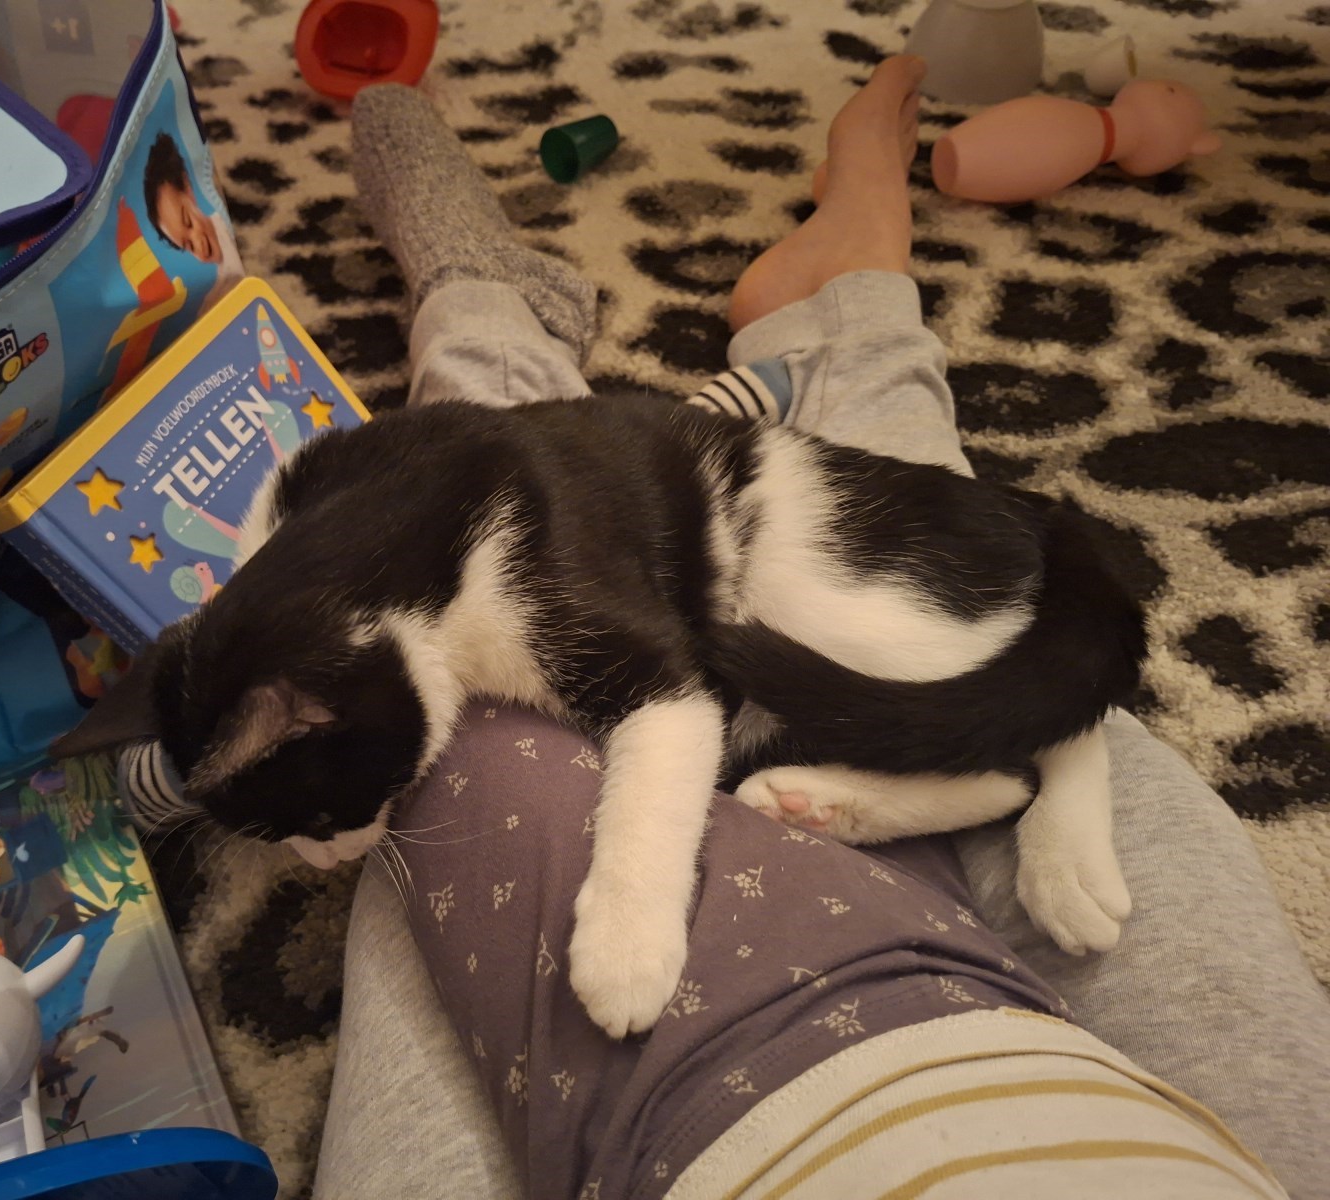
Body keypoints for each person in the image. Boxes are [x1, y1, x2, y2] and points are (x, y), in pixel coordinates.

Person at [308, 58, 1330, 1200]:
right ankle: (852, 291)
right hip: (1132, 1122)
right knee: (917, 558)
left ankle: (486, 305)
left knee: (462, 553)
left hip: (651, 1116)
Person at [141, 132, 245, 312]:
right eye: (187, 245)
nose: (198, 244)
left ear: (187, 185)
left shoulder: (229, 229)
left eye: (189, 222)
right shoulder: (214, 296)